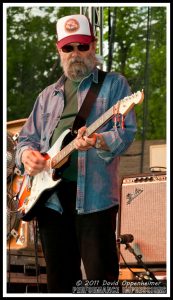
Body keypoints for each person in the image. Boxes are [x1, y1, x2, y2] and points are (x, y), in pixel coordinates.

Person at [15, 14, 137, 293]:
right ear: (59, 49)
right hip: (51, 202)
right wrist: (26, 157)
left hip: (94, 201)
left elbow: (126, 133)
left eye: (82, 46)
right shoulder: (47, 95)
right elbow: (25, 139)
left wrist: (96, 140)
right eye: (68, 48)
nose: (76, 54)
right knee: (60, 283)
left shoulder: (114, 85)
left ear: (93, 45)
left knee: (101, 283)